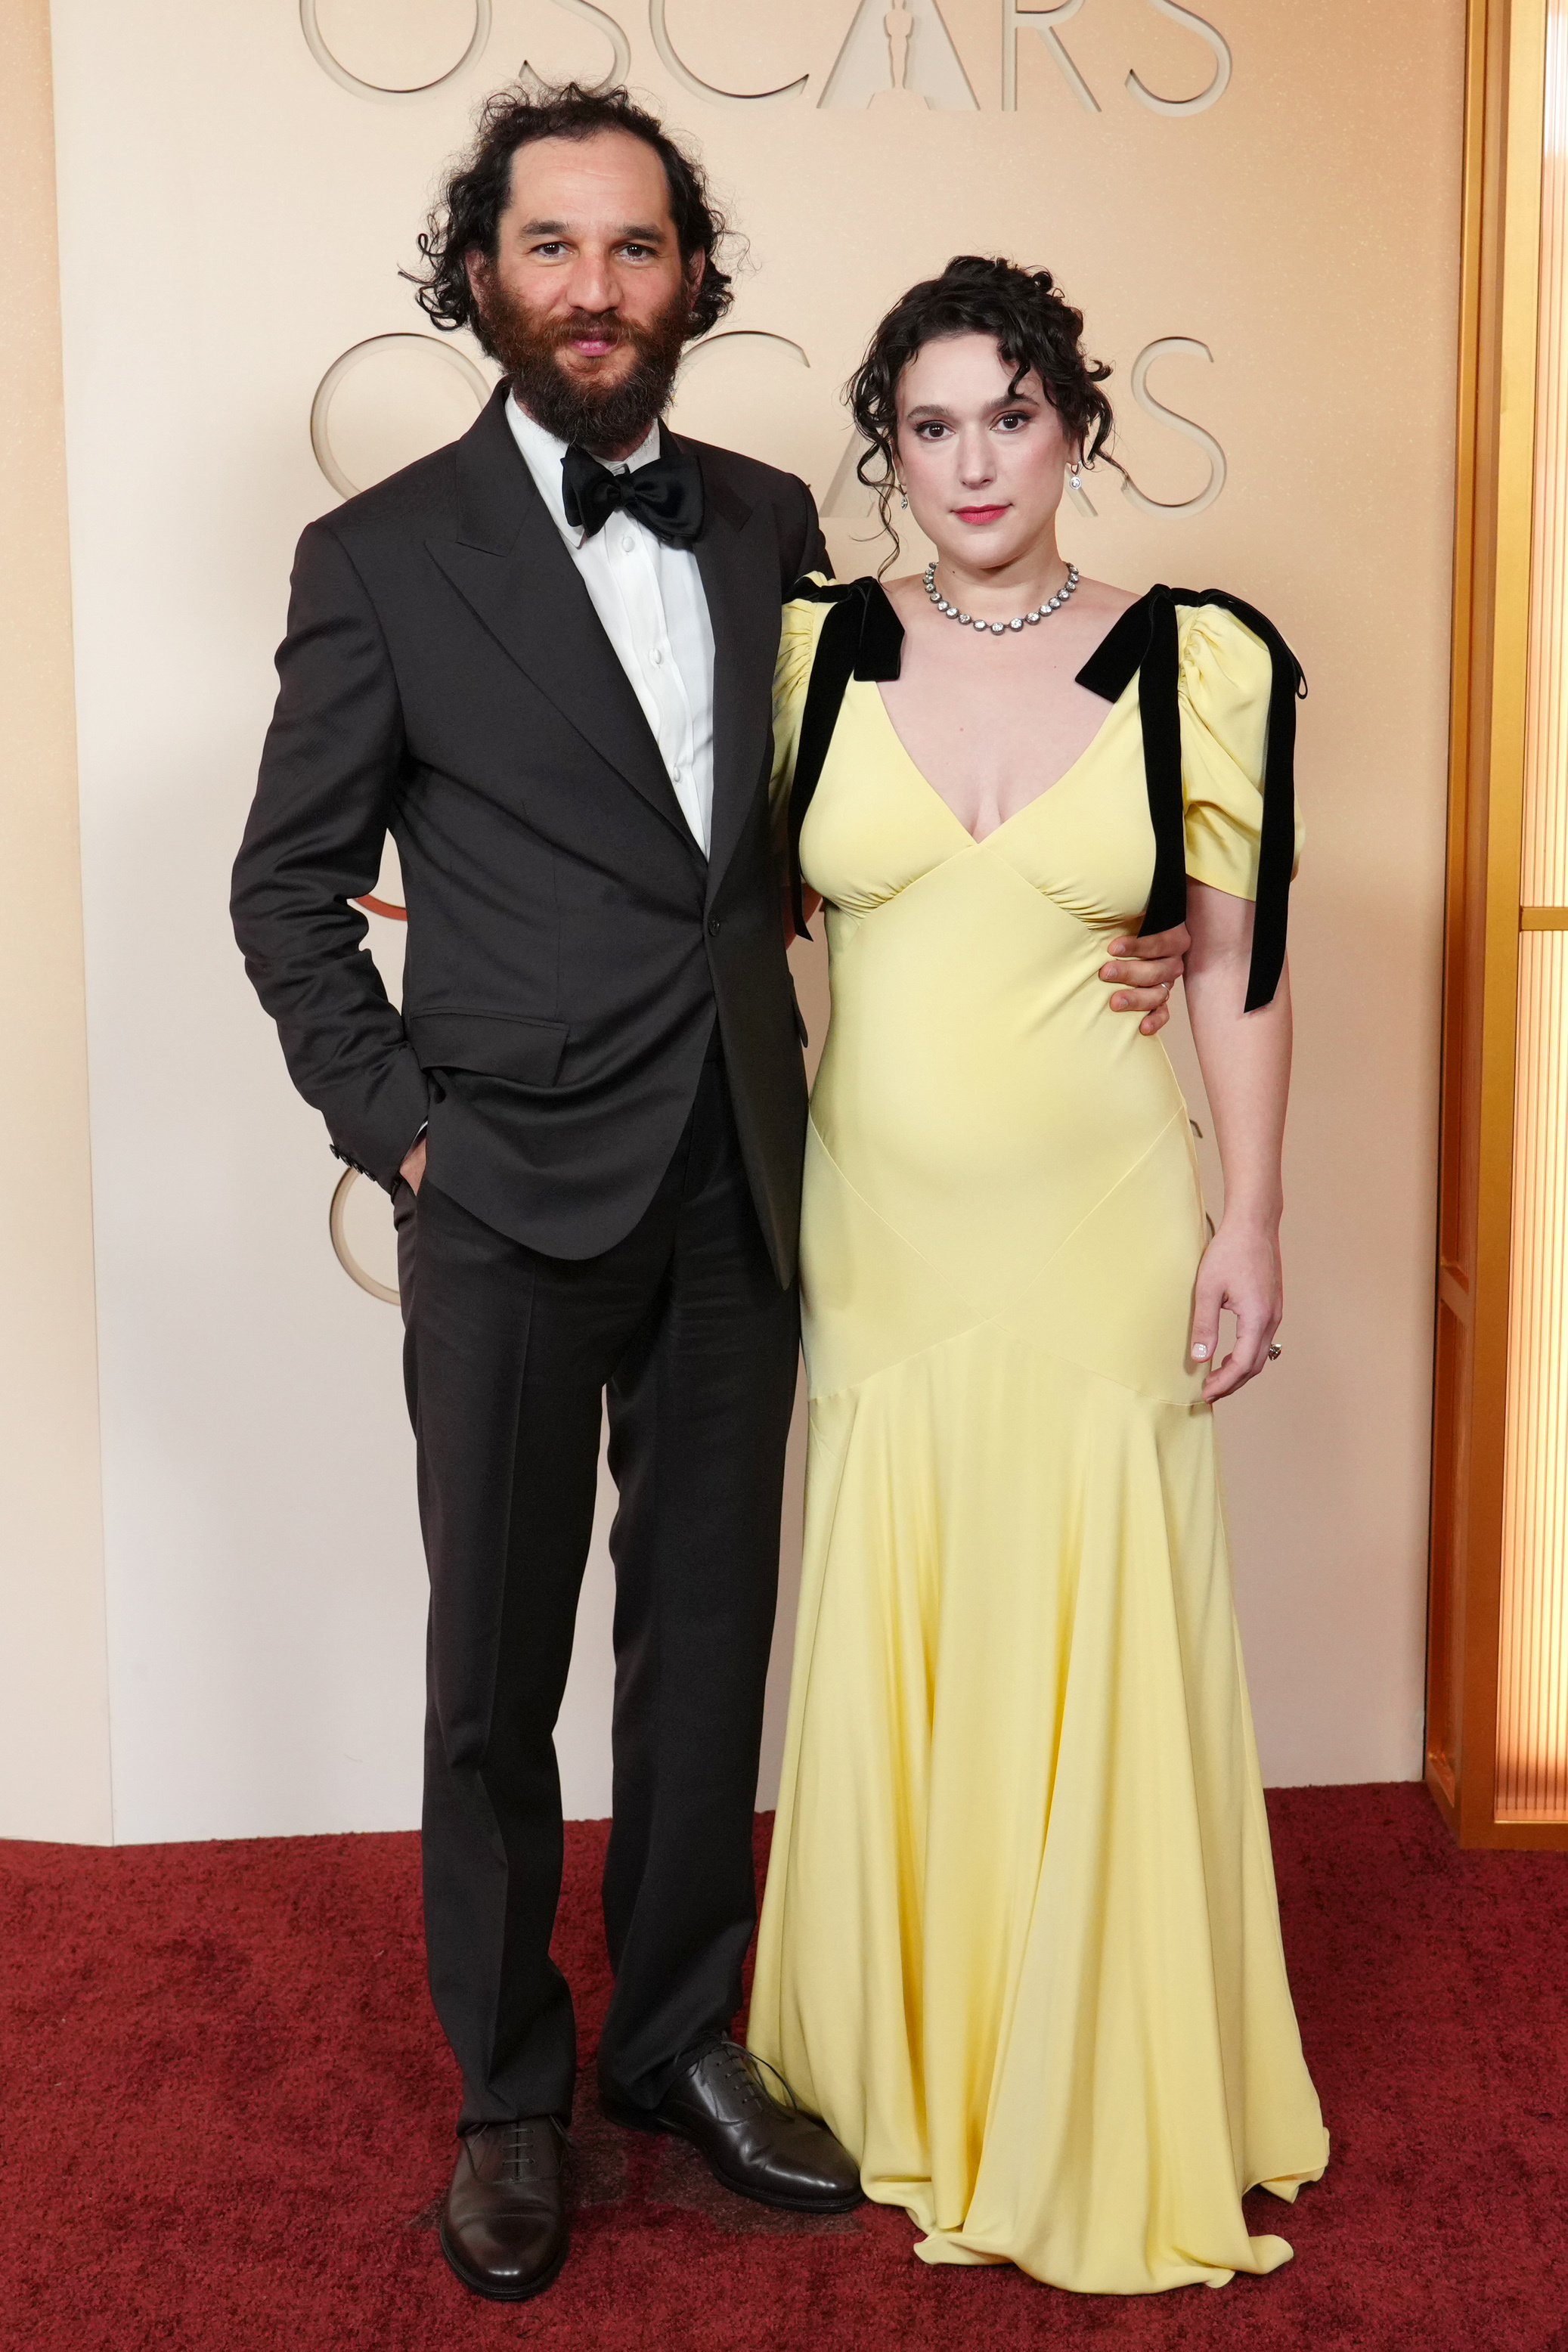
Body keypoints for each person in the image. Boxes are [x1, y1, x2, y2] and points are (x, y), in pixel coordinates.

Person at [231, 85, 1185, 2301]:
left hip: (750, 1175)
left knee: (709, 1643)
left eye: (635, 247)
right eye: (552, 246)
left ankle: (674, 2040)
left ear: (687, 278)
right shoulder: (378, 558)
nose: (595, 288)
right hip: (503, 1188)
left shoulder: (766, 522)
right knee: (491, 1668)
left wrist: (1122, 903)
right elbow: (286, 894)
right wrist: (407, 1133)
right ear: (483, 271)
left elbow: (894, 783)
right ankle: (508, 2091)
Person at [748, 256, 1331, 2295]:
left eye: (1009, 415)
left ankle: (1102, 2080)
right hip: (880, 1241)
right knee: (901, 1613)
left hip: (1103, 1228)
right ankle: (900, 2069)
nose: (973, 461)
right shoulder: (807, 648)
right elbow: (708, 904)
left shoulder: (1199, 659)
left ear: (1075, 426)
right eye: (930, 426)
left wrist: (1252, 1214)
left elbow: (1235, 962)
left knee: (1102, 1618)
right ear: (888, 453)